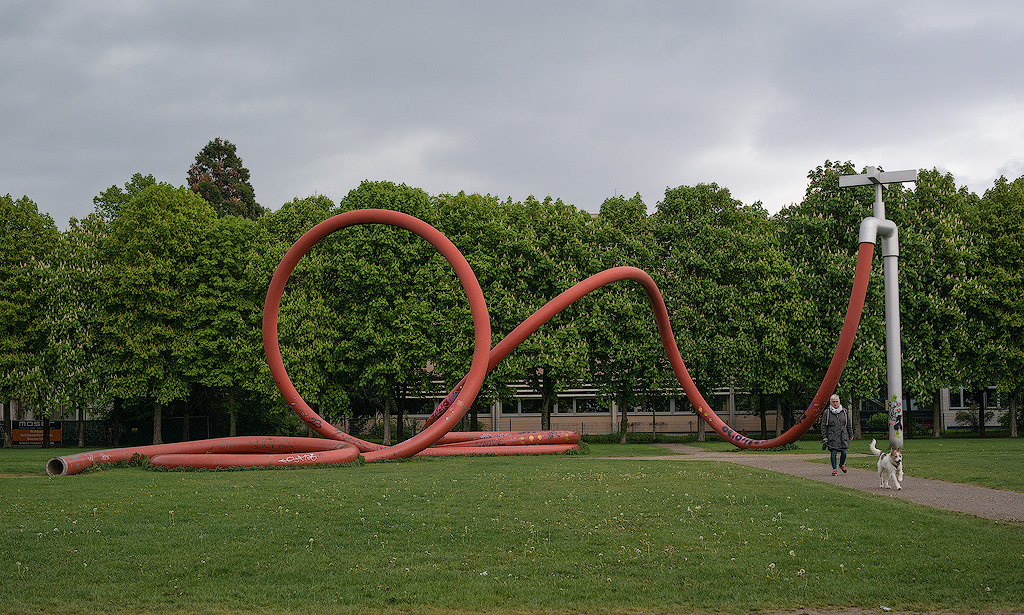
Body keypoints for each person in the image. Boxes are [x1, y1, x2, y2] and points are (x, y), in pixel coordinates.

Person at [820, 394, 853, 476]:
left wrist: (851, 434)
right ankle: (834, 469)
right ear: (830, 403)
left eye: (836, 401)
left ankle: (841, 464)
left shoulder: (844, 411)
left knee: (844, 452)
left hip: (843, 436)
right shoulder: (827, 412)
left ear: (839, 402)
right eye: (833, 402)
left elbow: (848, 424)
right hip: (832, 436)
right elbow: (823, 425)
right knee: (833, 453)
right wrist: (824, 437)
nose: (835, 403)